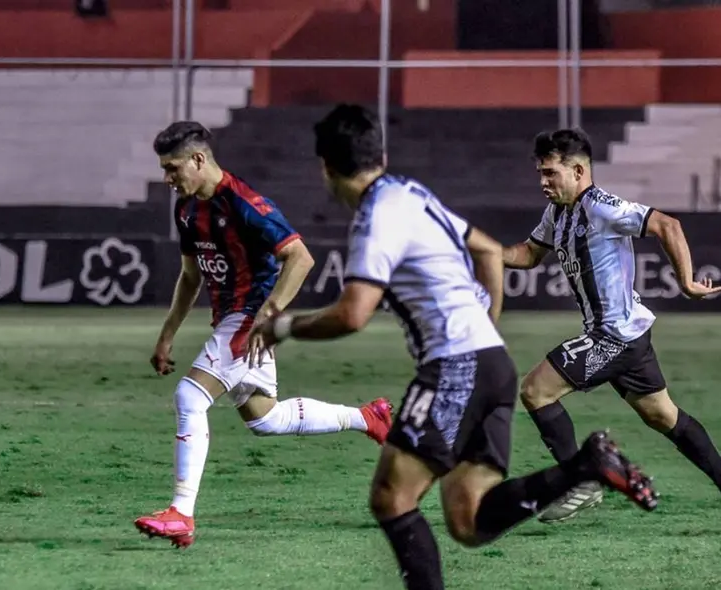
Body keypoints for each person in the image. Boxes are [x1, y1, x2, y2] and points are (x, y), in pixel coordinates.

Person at [249, 105, 658, 590]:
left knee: (391, 498)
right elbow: (486, 249)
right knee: (468, 519)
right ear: (377, 153)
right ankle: (584, 467)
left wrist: (282, 327)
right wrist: (487, 327)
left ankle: (586, 465)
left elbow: (354, 312)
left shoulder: (374, 215)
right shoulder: (410, 192)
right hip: (490, 364)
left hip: (455, 369)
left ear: (327, 168)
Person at [133, 121, 394, 548]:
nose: (167, 179)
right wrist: (166, 337)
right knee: (266, 418)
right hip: (230, 320)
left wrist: (268, 316)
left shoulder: (244, 201)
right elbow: (189, 277)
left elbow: (300, 257)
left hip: (249, 316)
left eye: (173, 168)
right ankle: (367, 418)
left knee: (190, 396)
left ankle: (181, 513)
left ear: (199, 160)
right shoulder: (186, 209)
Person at [502, 127, 721, 523]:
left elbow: (667, 225)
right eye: (540, 173)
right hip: (628, 335)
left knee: (535, 391)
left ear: (579, 172)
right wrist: (484, 252)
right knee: (662, 415)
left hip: (614, 336)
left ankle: (580, 483)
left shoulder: (601, 206)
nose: (543, 182)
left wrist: (687, 284)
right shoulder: (557, 212)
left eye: (551, 173)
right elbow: (530, 254)